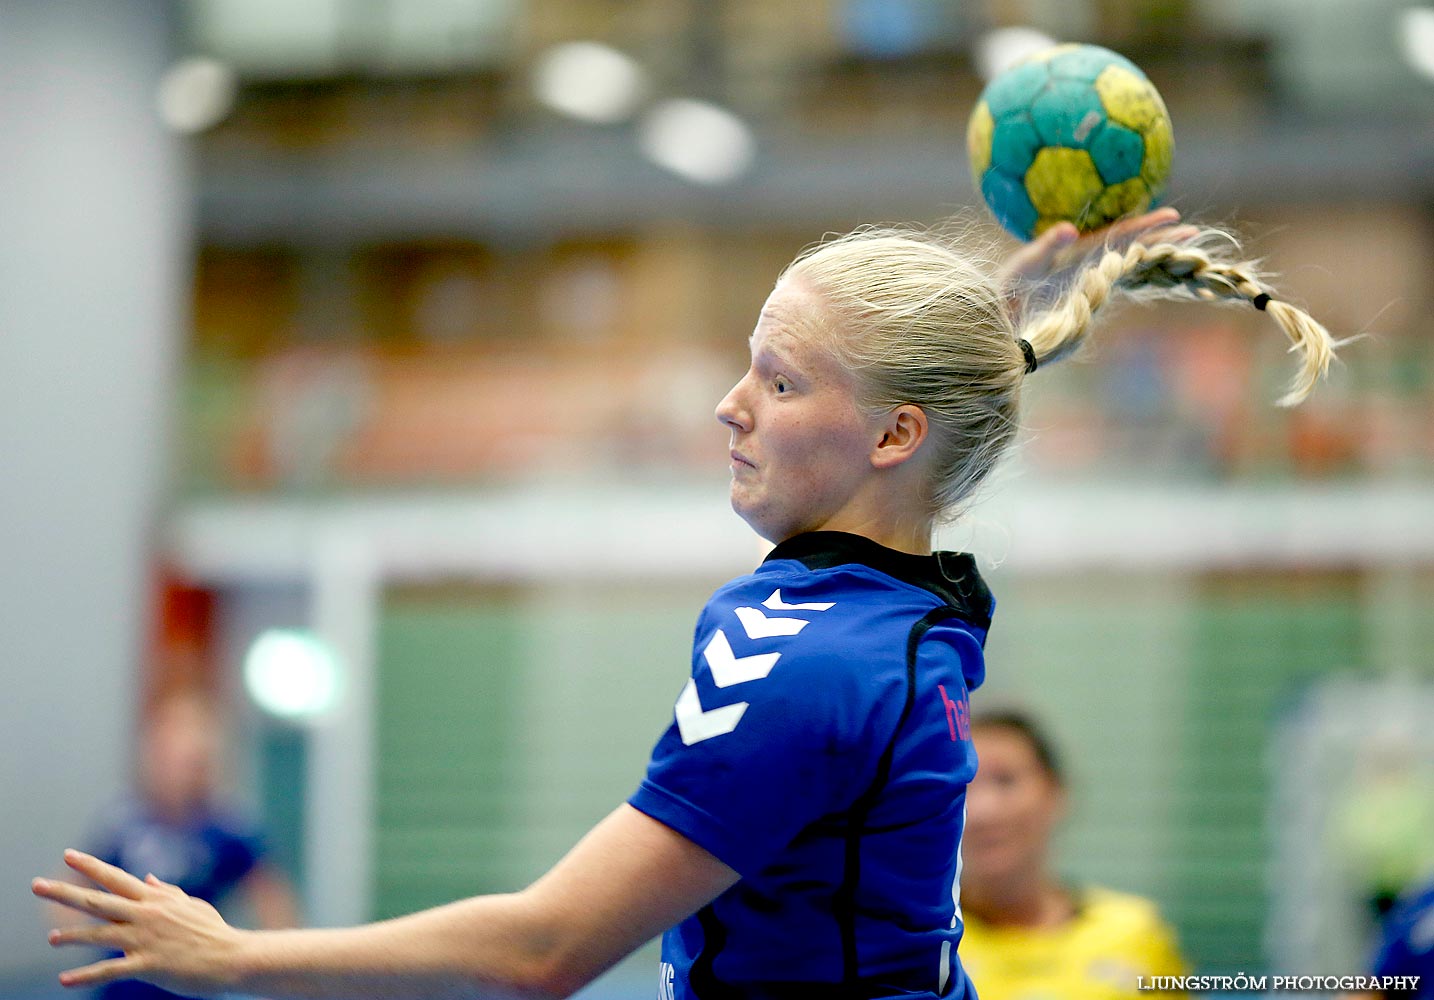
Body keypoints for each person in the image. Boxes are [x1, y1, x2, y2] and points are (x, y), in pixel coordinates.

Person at [33, 207, 1340, 999]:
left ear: (891, 435)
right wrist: (985, 316)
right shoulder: (904, 604)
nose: (729, 404)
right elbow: (916, 411)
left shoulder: (813, 671)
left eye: (776, 381)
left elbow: (543, 949)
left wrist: (240, 959)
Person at [44, 689, 300, 1000]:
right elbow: (73, 884)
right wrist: (79, 922)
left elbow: (274, 902)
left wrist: (266, 963)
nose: (183, 766)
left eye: (195, 755)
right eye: (172, 752)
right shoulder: (121, 819)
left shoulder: (229, 826)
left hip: (194, 983)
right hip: (123, 985)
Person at [957, 709, 1188, 1000]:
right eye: (963, 787)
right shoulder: (922, 944)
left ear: (1056, 792)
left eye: (1006, 781)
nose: (983, 811)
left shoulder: (1136, 933)